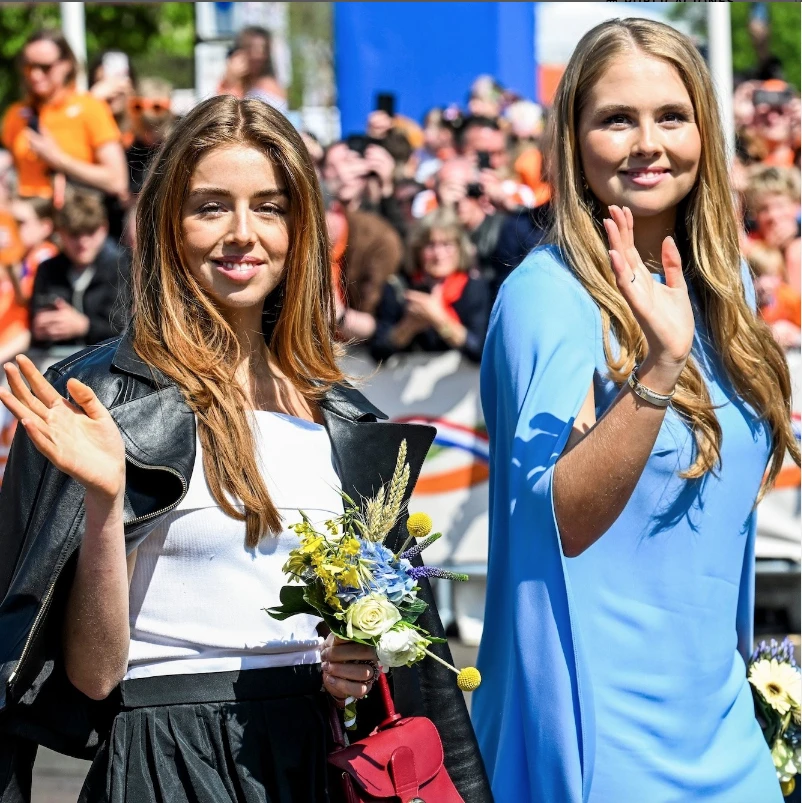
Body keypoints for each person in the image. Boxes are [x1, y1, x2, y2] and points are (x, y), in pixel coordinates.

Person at [0, 95, 491, 803]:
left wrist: (351, 662)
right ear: (169, 224)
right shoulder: (96, 395)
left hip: (317, 759)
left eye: (269, 206)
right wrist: (107, 502)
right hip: (167, 762)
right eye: (210, 207)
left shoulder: (345, 416)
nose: (242, 233)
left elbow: (415, 674)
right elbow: (93, 676)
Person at [472, 18, 799, 803]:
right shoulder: (547, 299)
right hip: (599, 748)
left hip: (725, 738)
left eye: (671, 117)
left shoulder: (728, 290)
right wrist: (658, 368)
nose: (647, 142)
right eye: (617, 118)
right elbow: (562, 521)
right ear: (574, 139)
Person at [2, 30, 128, 204]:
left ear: (66, 64)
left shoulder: (89, 107)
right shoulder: (16, 114)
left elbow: (117, 181)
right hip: (27, 216)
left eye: (45, 67)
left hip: (73, 218)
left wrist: (58, 159)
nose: (35, 75)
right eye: (29, 66)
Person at [370, 208, 490, 364]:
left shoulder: (473, 287)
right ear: (417, 250)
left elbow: (480, 351)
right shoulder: (400, 288)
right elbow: (378, 351)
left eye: (447, 245)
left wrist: (439, 320)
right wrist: (408, 327)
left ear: (460, 248)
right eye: (431, 246)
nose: (439, 255)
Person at [28, 188, 129, 351]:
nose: (83, 242)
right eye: (74, 234)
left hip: (105, 363)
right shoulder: (48, 269)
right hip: (56, 361)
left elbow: (122, 329)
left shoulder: (120, 266)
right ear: (60, 233)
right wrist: (41, 329)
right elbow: (35, 323)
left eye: (90, 231)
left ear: (104, 228)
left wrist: (84, 326)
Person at [217, 25, 287, 112]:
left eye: (262, 50)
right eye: (249, 48)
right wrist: (231, 80)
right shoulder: (231, 82)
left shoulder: (268, 88)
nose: (256, 55)